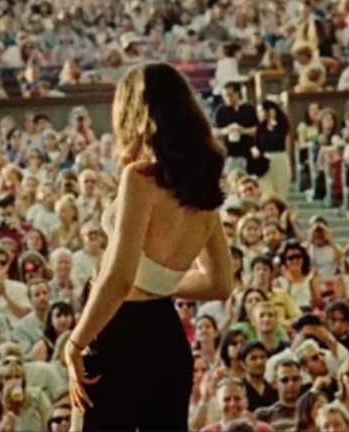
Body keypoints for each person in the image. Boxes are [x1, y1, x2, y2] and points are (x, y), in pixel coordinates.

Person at [66, 62, 235, 431]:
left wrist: (76, 343)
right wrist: (157, 282)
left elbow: (119, 276)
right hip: (166, 335)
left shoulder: (140, 178)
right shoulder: (201, 184)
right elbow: (221, 283)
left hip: (118, 333)